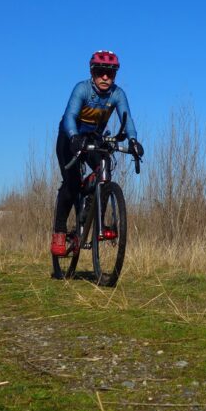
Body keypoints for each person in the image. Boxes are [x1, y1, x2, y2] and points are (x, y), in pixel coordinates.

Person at [50, 50, 143, 257]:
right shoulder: (82, 89)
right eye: (101, 72)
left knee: (105, 167)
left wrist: (133, 141)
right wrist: (74, 137)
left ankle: (94, 217)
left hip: (93, 138)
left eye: (110, 73)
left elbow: (127, 119)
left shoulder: (117, 94)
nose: (105, 77)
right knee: (72, 183)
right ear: (92, 72)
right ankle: (59, 231)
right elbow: (69, 116)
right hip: (69, 137)